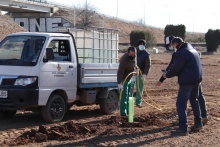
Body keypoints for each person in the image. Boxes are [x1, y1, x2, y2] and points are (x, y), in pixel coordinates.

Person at [156, 36, 209, 126]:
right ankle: (198, 123)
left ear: (175, 44)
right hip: (196, 78)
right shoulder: (191, 49)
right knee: (194, 100)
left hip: (188, 80)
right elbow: (172, 66)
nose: (171, 47)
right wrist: (162, 79)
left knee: (181, 103)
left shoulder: (181, 53)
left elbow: (175, 68)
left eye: (171, 45)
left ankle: (183, 126)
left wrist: (166, 75)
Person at [117, 46, 136, 116]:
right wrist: (119, 83)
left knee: (130, 96)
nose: (131, 55)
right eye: (130, 54)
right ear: (128, 53)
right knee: (124, 96)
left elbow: (135, 65)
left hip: (130, 78)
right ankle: (123, 114)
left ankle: (130, 112)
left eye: (133, 54)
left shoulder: (135, 57)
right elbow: (120, 72)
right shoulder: (124, 59)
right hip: (124, 79)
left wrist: (136, 71)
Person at [135, 39, 151, 108]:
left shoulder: (146, 54)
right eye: (140, 44)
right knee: (129, 88)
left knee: (139, 88)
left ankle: (138, 102)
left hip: (141, 74)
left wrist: (145, 74)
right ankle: (128, 101)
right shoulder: (134, 51)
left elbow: (148, 65)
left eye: (143, 45)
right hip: (132, 73)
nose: (142, 46)